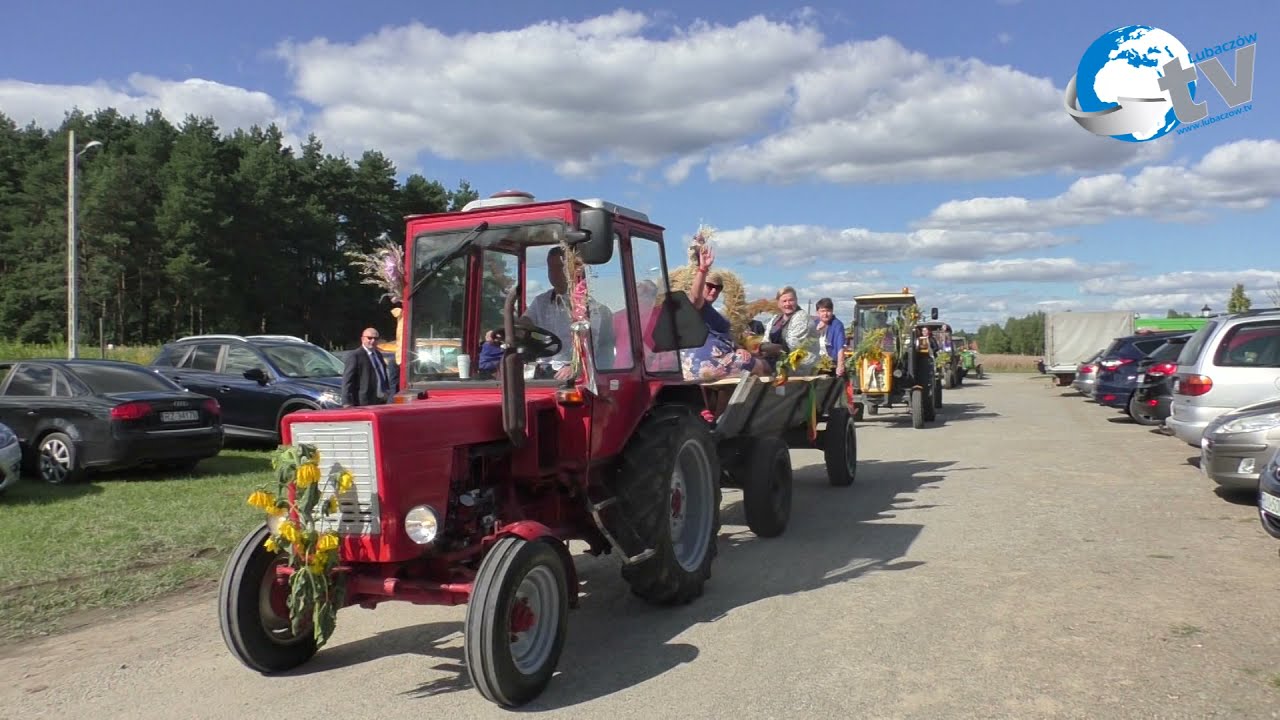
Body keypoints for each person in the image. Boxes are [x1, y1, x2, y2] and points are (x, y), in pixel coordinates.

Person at [523, 246, 614, 380]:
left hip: (573, 372)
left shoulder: (591, 308)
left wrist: (576, 366)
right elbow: (525, 322)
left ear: (573, 271)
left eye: (560, 268)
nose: (554, 273)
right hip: (542, 369)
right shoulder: (540, 302)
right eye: (551, 268)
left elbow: (592, 347)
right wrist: (508, 327)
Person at [680, 244, 767, 381]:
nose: (714, 290)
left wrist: (738, 348)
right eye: (710, 286)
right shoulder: (698, 306)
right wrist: (703, 270)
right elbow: (695, 298)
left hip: (704, 362)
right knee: (764, 366)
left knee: (749, 362)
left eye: (718, 287)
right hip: (707, 363)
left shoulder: (710, 312)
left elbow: (720, 336)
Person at [761, 286, 815, 371]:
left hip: (799, 365)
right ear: (778, 303)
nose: (787, 304)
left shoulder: (802, 317)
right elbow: (765, 340)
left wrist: (763, 348)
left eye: (791, 300)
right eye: (784, 301)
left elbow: (792, 345)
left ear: (796, 300)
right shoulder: (775, 319)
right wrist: (761, 347)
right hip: (778, 361)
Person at [342, 327, 394, 406]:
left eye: (376, 339)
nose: (373, 341)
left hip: (381, 400)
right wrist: (347, 402)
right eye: (369, 338)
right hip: (364, 402)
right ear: (362, 339)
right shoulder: (355, 356)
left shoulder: (379, 355)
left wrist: (387, 391)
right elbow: (347, 380)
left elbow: (382, 375)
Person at [814, 297, 847, 376]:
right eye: (822, 311)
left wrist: (840, 365)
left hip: (831, 364)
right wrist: (816, 330)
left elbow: (840, 347)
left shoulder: (837, 325)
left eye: (828, 311)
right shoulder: (814, 324)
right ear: (817, 312)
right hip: (815, 363)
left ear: (832, 311)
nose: (825, 314)